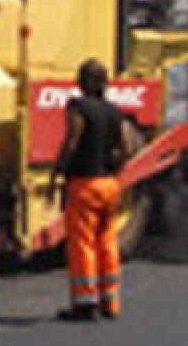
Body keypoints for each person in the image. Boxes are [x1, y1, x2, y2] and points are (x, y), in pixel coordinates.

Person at [48, 59, 133, 322]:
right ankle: (110, 301)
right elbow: (126, 146)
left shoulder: (78, 107)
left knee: (82, 242)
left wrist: (56, 174)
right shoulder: (114, 112)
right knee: (107, 241)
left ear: (81, 82)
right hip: (109, 184)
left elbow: (72, 140)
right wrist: (114, 169)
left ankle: (85, 303)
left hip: (84, 183)